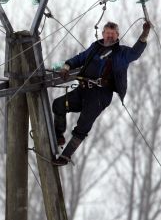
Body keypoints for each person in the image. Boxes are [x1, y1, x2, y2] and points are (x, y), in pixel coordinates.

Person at [52, 21, 151, 166]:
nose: (109, 36)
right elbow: (81, 57)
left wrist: (144, 34)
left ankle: (65, 156)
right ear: (103, 34)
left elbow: (135, 53)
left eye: (113, 34)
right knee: (58, 104)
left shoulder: (121, 53)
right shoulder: (95, 47)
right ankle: (58, 135)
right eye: (107, 33)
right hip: (83, 90)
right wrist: (67, 66)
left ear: (117, 35)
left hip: (99, 95)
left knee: (83, 125)